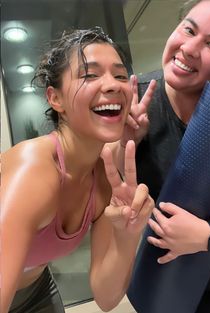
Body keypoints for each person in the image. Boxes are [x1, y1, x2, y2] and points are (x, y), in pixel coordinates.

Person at [1, 27, 155, 313]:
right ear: (55, 98)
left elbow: (107, 298)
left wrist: (128, 233)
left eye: (120, 75)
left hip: (37, 289)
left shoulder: (105, 181)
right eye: (90, 75)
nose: (112, 85)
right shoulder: (35, 169)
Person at [116, 0, 210, 312]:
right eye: (188, 30)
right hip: (163, 287)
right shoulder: (133, 98)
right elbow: (112, 196)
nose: (189, 48)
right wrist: (125, 142)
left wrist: (209, 234)